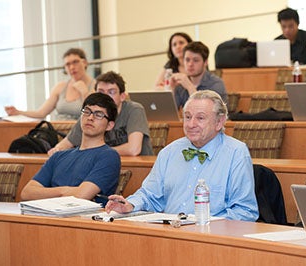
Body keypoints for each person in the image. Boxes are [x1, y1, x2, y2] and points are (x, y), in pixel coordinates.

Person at [106, 90, 259, 221]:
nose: (191, 124)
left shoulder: (236, 153)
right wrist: (130, 205)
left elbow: (245, 211)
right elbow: (149, 195)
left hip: (212, 239)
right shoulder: (170, 151)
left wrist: (206, 225)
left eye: (200, 118)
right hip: (171, 234)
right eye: (187, 117)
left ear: (219, 122)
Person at [20, 92, 121, 205]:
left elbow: (82, 196)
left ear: (109, 125)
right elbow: (26, 193)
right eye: (87, 112)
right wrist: (64, 192)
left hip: (83, 219)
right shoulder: (59, 156)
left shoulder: (108, 156)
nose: (90, 118)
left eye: (99, 115)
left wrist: (47, 193)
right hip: (49, 215)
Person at [48, 71, 153, 156]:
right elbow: (66, 143)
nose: (105, 96)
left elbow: (133, 149)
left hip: (138, 168)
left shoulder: (134, 110)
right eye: (101, 92)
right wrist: (56, 150)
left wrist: (96, 153)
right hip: (104, 163)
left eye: (111, 92)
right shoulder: (89, 113)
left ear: (122, 96)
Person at [5, 48, 96, 120]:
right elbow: (41, 113)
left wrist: (84, 93)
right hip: (57, 130)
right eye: (68, 64)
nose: (72, 67)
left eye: (75, 62)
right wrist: (18, 112)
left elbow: (94, 114)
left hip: (80, 134)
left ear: (84, 62)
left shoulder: (96, 85)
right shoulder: (60, 87)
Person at [168, 41, 228, 110]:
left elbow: (206, 112)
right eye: (187, 60)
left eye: (195, 60)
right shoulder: (181, 84)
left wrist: (189, 86)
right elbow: (169, 113)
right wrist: (171, 89)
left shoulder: (216, 83)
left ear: (205, 62)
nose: (190, 64)